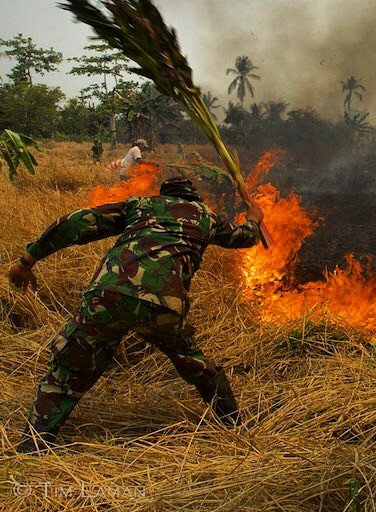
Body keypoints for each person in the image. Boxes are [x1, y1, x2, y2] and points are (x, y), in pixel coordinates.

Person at [9, 177, 264, 453]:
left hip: (108, 295)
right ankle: (234, 426)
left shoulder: (141, 205)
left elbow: (77, 223)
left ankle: (33, 447)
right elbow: (245, 238)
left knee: (67, 372)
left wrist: (27, 260)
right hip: (163, 304)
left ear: (163, 195)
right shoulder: (207, 217)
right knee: (194, 363)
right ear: (194, 199)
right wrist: (254, 218)